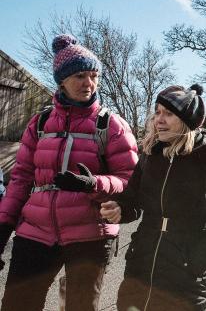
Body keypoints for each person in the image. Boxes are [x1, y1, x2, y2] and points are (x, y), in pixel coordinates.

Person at [0, 34, 139, 311]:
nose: (88, 83)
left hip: (91, 234)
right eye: (79, 76)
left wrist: (93, 183)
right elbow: (20, 180)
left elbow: (130, 179)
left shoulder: (111, 125)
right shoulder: (39, 123)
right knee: (17, 305)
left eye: (93, 75)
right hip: (36, 232)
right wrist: (3, 227)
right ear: (61, 80)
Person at [100, 84, 206, 311]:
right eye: (158, 112)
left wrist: (194, 265)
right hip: (141, 262)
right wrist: (119, 208)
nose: (159, 120)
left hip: (184, 274)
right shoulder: (150, 153)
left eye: (169, 114)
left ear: (187, 120)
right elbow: (132, 199)